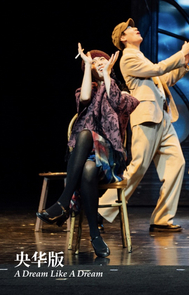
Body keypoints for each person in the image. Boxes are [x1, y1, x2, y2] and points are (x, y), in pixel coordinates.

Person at [98, 18, 189, 233]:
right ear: (123, 38)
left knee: (176, 164)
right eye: (130, 28)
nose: (135, 28)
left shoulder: (141, 57)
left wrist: (183, 63)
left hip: (162, 117)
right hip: (146, 117)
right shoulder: (128, 58)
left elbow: (165, 79)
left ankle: (162, 218)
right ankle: (100, 210)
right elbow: (157, 69)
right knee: (138, 167)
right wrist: (180, 53)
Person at [37, 44, 139, 258]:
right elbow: (84, 99)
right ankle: (95, 235)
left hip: (110, 157)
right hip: (85, 158)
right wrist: (86, 64)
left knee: (85, 134)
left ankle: (63, 202)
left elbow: (115, 101)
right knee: (88, 166)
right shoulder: (88, 90)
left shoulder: (123, 94)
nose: (99, 63)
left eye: (102, 60)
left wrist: (107, 75)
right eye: (94, 62)